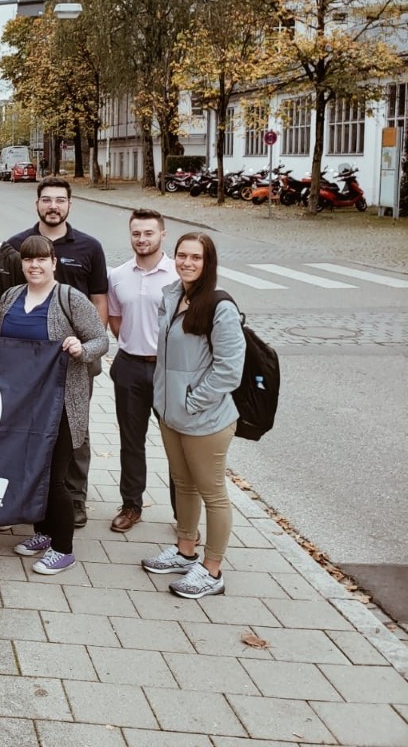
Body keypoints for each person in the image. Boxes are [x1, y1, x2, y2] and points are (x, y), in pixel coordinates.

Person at [0, 235, 109, 576]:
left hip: (59, 403)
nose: (34, 265)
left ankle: (63, 548)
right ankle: (43, 533)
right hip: (22, 402)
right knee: (33, 471)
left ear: (53, 262)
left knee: (55, 477)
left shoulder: (69, 298)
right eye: (28, 260)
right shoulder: (10, 297)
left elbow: (101, 339)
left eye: (41, 259)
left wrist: (81, 348)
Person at [142, 233, 245, 599]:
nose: (187, 263)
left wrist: (193, 400)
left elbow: (230, 370)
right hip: (172, 414)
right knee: (182, 484)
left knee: (212, 493)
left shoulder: (220, 307)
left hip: (205, 420)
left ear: (208, 263)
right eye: (182, 256)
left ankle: (212, 570)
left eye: (196, 258)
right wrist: (164, 400)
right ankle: (186, 551)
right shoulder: (173, 295)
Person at [7, 177, 107, 528]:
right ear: (36, 203)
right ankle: (34, 508)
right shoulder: (15, 246)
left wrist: (86, 353)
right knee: (28, 443)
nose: (53, 205)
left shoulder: (89, 247)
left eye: (60, 200)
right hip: (25, 384)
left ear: (69, 204)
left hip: (71, 372)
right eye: (46, 199)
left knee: (73, 439)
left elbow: (99, 304)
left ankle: (72, 502)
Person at [106, 209, 178, 533]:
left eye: (149, 233)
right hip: (130, 367)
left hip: (169, 371)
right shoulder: (118, 275)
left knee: (178, 445)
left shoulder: (179, 274)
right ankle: (131, 505)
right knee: (131, 442)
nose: (142, 239)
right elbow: (115, 320)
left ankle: (184, 514)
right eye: (136, 233)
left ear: (163, 234)